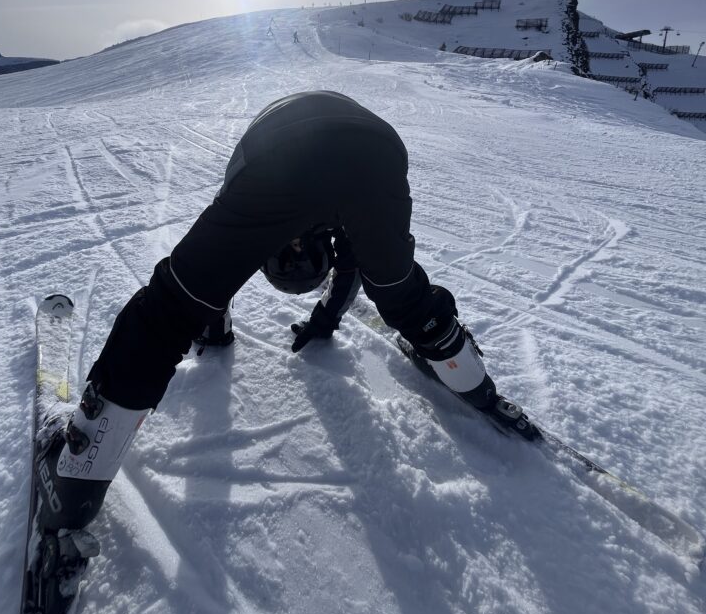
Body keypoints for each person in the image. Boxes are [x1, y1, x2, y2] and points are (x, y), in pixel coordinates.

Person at [36, 91, 536, 540]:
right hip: (378, 150)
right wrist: (325, 318)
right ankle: (474, 383)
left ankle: (74, 479)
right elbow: (356, 265)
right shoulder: (304, 220)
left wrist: (214, 326)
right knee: (401, 293)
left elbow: (209, 285)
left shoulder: (252, 202)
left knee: (171, 308)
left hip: (282, 154)